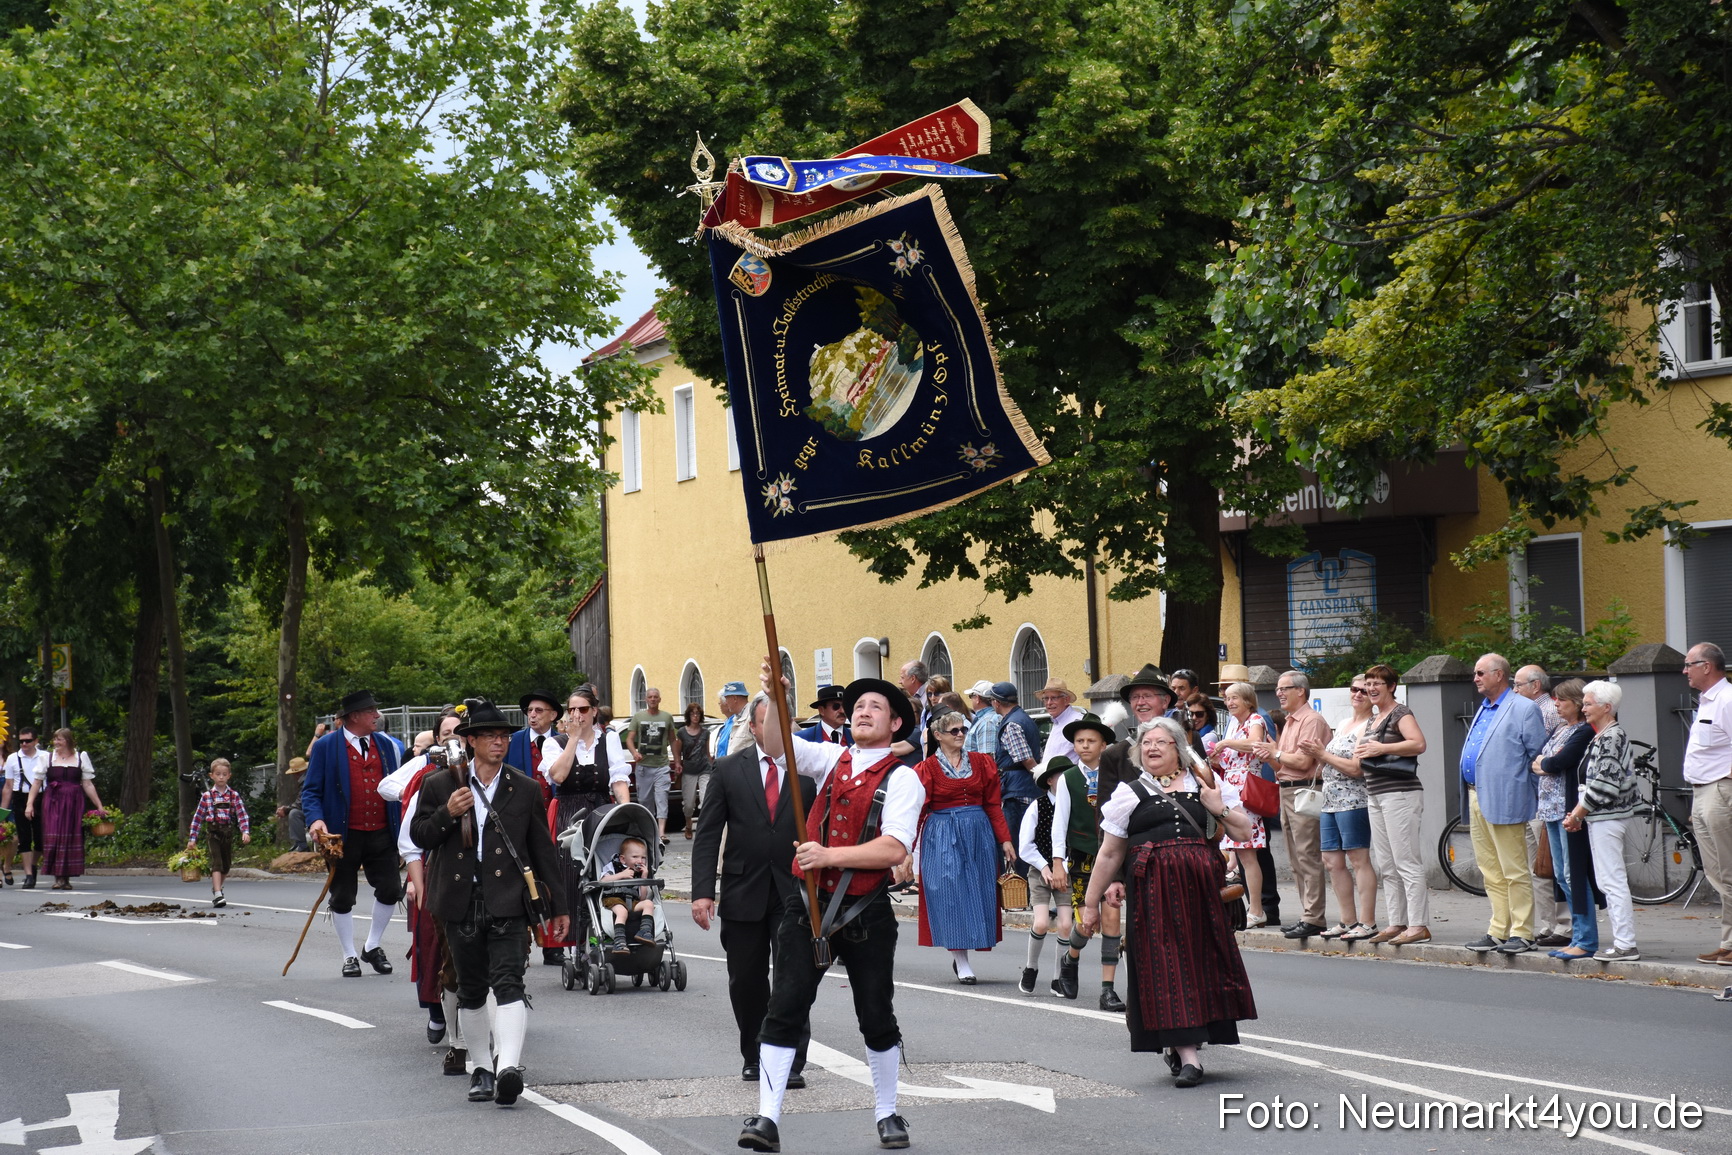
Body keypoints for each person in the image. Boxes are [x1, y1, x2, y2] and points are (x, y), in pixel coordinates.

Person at [739, 663, 925, 1152]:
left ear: (895, 724)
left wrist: (828, 856)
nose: (862, 712)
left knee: (875, 1013)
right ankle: (766, 1118)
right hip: (808, 906)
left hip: (866, 911)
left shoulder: (904, 780)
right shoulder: (831, 758)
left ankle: (887, 1112)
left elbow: (893, 849)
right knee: (784, 1007)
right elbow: (776, 746)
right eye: (858, 706)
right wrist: (774, 696)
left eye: (875, 707)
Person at [1081, 717, 1257, 1088]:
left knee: (1201, 964)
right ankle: (1190, 1057)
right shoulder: (1130, 793)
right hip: (1153, 894)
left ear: (1178, 748)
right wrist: (1091, 903)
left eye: (1160, 742)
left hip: (1201, 893)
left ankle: (1184, 1043)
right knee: (1167, 968)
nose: (1152, 748)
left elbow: (1244, 831)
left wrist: (1218, 807)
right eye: (1146, 743)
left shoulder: (1206, 784)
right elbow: (1109, 853)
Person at [411, 697, 569, 1107]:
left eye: (503, 736)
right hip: (459, 899)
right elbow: (420, 836)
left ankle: (508, 1068)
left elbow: (542, 850)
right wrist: (447, 813)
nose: (499, 742)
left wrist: (560, 906)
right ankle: (481, 1068)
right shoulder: (440, 784)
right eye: (489, 736)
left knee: (510, 982)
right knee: (471, 989)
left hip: (509, 899)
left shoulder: (525, 787)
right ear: (471, 741)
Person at [692, 691, 814, 1085]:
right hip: (743, 889)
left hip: (794, 889)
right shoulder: (729, 769)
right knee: (745, 979)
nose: (777, 729)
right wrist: (702, 892)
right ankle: (754, 1053)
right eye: (768, 722)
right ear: (754, 727)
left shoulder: (807, 770)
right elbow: (708, 834)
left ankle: (790, 1061)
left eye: (783, 722)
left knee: (793, 976)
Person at [380, 707, 465, 1058]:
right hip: (436, 869)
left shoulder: (489, 773)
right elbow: (410, 841)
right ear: (437, 741)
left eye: (460, 734)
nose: (454, 741)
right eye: (447, 735)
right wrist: (418, 883)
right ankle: (437, 1010)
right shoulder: (426, 776)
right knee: (433, 946)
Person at [302, 689, 405, 977]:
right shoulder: (326, 746)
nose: (377, 715)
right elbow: (311, 791)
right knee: (343, 895)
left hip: (382, 831)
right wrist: (316, 820)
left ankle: (372, 946)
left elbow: (399, 786)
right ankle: (349, 954)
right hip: (342, 835)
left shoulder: (387, 745)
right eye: (371, 711)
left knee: (390, 889)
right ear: (354, 716)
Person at [910, 709, 1014, 984]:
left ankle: (969, 950)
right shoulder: (926, 769)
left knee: (978, 891)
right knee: (950, 893)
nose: (960, 735)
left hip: (979, 833)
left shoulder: (982, 762)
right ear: (938, 735)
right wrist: (906, 848)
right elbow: (918, 811)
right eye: (954, 730)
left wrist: (1004, 839)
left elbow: (993, 804)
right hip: (942, 834)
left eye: (963, 729)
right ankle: (961, 960)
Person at [1457, 653, 1549, 954]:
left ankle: (1522, 932)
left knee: (1514, 870)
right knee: (1490, 870)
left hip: (1506, 798)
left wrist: (1526, 797)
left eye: (1480, 673)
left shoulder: (1523, 708)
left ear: (1499, 675)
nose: (1475, 678)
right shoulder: (1484, 707)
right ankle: (1499, 929)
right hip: (1475, 795)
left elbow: (1537, 757)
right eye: (1475, 673)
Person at [540, 687, 631, 961]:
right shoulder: (554, 742)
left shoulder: (609, 739)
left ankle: (604, 933)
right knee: (571, 875)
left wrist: (626, 811)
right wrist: (574, 739)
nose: (576, 714)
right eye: (572, 709)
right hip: (569, 814)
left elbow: (618, 779)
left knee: (603, 872)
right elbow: (558, 776)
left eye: (582, 709)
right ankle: (575, 944)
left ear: (594, 711)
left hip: (601, 812)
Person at [1251, 671, 1333, 940]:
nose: (1279, 693)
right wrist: (1269, 757)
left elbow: (1303, 762)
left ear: (1301, 691)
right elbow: (1282, 766)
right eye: (1278, 689)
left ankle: (1314, 917)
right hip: (1287, 790)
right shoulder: (1290, 721)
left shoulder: (1311, 720)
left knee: (1307, 856)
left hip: (1304, 791)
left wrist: (1274, 752)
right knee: (1296, 858)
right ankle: (1307, 914)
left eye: (1284, 688)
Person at [1562, 681, 1640, 962]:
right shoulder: (1604, 735)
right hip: (1602, 816)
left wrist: (1577, 814)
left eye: (1588, 703)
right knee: (1608, 880)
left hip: (1608, 816)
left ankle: (1625, 945)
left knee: (1612, 880)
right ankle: (1623, 943)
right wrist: (1580, 813)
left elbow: (1604, 785)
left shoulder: (1611, 737)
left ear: (1607, 707)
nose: (1583, 708)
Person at [1355, 664, 1431, 945]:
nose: (1371, 688)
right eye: (1368, 683)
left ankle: (1419, 925)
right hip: (1376, 794)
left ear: (1391, 686)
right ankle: (1397, 922)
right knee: (1386, 863)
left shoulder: (1401, 713)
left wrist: (1382, 748)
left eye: (1377, 683)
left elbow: (1418, 744)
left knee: (1406, 861)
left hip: (1400, 793)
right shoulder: (1374, 718)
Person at [1054, 714, 1124, 1010]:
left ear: (1104, 745)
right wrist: (1058, 861)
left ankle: (1108, 990)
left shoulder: (1116, 776)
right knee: (1087, 923)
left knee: (1111, 920)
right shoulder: (1068, 778)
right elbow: (1060, 822)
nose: (1084, 746)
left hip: (1112, 855)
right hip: (1082, 857)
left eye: (1091, 741)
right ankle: (1070, 958)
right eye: (1079, 741)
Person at [1300, 677, 1378, 941]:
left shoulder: (1371, 725)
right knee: (1331, 861)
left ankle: (1367, 922)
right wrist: (1318, 755)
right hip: (1330, 800)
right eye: (1354, 689)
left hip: (1354, 800)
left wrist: (1322, 755)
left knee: (1358, 859)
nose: (1358, 694)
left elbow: (1357, 768)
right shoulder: (1344, 723)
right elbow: (1332, 760)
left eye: (1365, 690)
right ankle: (1347, 920)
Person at [1531, 679, 1597, 961]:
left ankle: (1585, 937)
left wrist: (1546, 764)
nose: (1555, 704)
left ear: (1578, 703)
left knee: (1573, 874)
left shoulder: (1584, 731)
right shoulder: (1560, 728)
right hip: (1550, 811)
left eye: (1562, 700)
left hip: (1568, 810)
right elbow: (1538, 759)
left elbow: (1557, 762)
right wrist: (1545, 764)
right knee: (1561, 876)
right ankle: (1578, 936)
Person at [1681, 643, 1732, 966]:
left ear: (1707, 666)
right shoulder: (1709, 700)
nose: (1684, 670)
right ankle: (1728, 942)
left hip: (1719, 791)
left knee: (1728, 871)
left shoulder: (1727, 699)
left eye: (1689, 664)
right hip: (1703, 792)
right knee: (1716, 873)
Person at [1513, 665, 1571, 945]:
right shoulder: (1529, 709)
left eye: (1518, 685)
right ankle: (1549, 924)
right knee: (1539, 866)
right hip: (1532, 799)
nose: (1514, 690)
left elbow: (1544, 757)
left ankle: (1564, 925)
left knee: (1554, 865)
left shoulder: (1547, 710)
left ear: (1535, 685)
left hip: (1545, 800)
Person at [1207, 683, 1269, 928]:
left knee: (1247, 853)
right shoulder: (1234, 723)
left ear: (1248, 701)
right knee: (1240, 853)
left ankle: (1257, 909)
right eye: (1227, 698)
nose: (1229, 702)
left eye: (1234, 698)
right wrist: (1216, 760)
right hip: (1232, 790)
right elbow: (1229, 761)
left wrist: (1226, 743)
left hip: (1247, 789)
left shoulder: (1255, 720)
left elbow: (1255, 744)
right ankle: (1252, 908)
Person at [1017, 757, 1072, 996]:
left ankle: (1058, 977)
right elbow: (1025, 845)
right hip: (1039, 870)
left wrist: (1064, 867)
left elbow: (1076, 842)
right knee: (1040, 922)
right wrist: (1044, 867)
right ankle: (1031, 967)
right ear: (1049, 780)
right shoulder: (1037, 807)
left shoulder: (1075, 807)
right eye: (1061, 776)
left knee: (1066, 925)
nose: (1066, 781)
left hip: (1066, 872)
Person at [24, 729, 103, 891]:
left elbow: (88, 784)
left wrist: (99, 806)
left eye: (59, 739)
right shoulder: (47, 758)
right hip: (53, 801)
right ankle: (58, 877)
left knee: (71, 836)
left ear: (68, 740)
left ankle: (66, 878)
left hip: (74, 802)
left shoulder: (81, 757)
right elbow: (37, 783)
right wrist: (29, 804)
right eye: (55, 739)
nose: (56, 742)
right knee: (54, 836)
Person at [1098, 665, 1175, 815]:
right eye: (1135, 697)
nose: (1140, 702)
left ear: (1165, 701)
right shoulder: (1114, 756)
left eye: (1147, 695)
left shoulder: (1187, 743)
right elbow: (1105, 817)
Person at [989, 682, 1042, 879]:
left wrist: (1038, 777)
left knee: (1019, 844)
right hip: (1024, 788)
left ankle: (1023, 889)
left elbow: (1025, 758)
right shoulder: (1023, 717)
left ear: (996, 702)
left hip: (1019, 791)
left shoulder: (1012, 724)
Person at [186, 758, 251, 907]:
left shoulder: (233, 795)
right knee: (217, 863)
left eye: (224, 774)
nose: (221, 777)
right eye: (218, 774)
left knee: (226, 865)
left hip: (227, 833)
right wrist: (192, 838)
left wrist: (245, 831)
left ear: (229, 776)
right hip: (213, 834)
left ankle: (218, 889)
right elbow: (198, 818)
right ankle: (217, 894)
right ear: (211, 776)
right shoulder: (207, 796)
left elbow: (242, 815)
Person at [627, 686, 677, 845]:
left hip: (662, 765)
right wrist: (634, 753)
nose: (653, 699)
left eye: (656, 697)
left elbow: (673, 740)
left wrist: (677, 761)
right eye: (650, 697)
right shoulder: (638, 717)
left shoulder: (667, 717)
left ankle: (661, 833)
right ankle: (650, 831)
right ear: (646, 699)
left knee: (662, 798)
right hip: (644, 766)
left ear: (660, 699)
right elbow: (629, 739)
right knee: (645, 801)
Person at [2, 726, 48, 887]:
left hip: (41, 798)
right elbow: (8, 787)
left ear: (36, 741)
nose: (24, 744)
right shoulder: (13, 758)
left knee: (41, 838)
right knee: (24, 837)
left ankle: (33, 865)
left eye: (28, 741)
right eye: (21, 741)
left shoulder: (45, 756)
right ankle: (28, 874)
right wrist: (2, 813)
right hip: (20, 797)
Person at [598, 836, 658, 954]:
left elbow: (642, 897)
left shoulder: (640, 872)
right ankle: (619, 941)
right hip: (614, 898)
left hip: (633, 900)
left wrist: (644, 877)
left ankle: (645, 932)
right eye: (635, 857)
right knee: (622, 912)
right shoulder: (613, 866)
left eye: (643, 858)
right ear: (623, 859)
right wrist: (621, 875)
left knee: (648, 904)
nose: (640, 861)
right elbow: (603, 880)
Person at [508, 690, 565, 804]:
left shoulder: (563, 743)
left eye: (538, 710)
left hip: (557, 809)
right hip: (521, 809)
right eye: (530, 710)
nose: (532, 715)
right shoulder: (512, 741)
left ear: (553, 715)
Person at [673, 702, 712, 840]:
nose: (695, 716)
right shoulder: (682, 732)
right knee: (689, 804)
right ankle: (688, 823)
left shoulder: (705, 732)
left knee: (706, 798)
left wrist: (712, 766)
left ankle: (704, 827)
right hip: (689, 770)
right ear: (688, 715)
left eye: (697, 714)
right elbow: (678, 751)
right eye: (692, 713)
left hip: (704, 769)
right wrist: (678, 764)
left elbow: (707, 752)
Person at [1038, 678, 1082, 764]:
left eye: (1054, 698)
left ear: (1066, 700)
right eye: (1046, 698)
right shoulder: (1057, 721)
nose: (1049, 703)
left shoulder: (1077, 722)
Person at [899, 659, 933, 760]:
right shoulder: (913, 698)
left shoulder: (930, 697)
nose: (899, 682)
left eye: (902, 677)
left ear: (913, 678)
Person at [713, 681, 755, 760]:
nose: (726, 703)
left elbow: (762, 747)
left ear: (735, 698)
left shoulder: (753, 716)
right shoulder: (735, 718)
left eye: (726, 698)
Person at [275, 755, 309, 851]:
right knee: (294, 812)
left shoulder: (306, 781)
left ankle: (302, 845)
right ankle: (299, 843)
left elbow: (302, 802)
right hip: (315, 809)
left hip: (318, 811)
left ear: (296, 773)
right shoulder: (306, 779)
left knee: (294, 814)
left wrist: (286, 810)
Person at [964, 681, 1002, 757]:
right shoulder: (987, 719)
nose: (971, 699)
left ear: (977, 698)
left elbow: (987, 758)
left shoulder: (987, 722)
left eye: (971, 696)